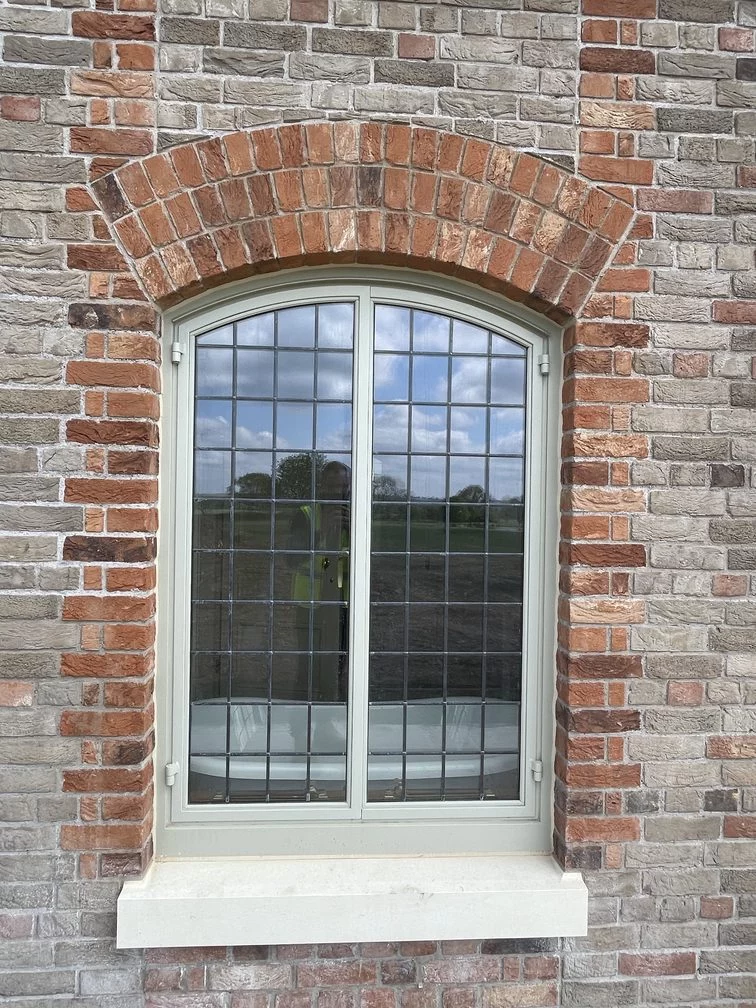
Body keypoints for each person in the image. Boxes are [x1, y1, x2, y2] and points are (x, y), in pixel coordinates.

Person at [289, 460, 351, 702]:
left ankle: (331, 715)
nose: (337, 492)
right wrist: (320, 533)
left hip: (342, 603)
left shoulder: (355, 515)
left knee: (338, 665)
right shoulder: (306, 514)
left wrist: (353, 528)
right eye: (331, 486)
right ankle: (299, 721)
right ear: (322, 486)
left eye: (342, 486)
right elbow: (291, 560)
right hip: (310, 603)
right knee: (307, 664)